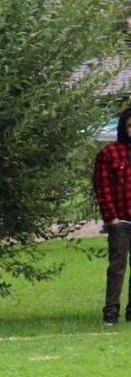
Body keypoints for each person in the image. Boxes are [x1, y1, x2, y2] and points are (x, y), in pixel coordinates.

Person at [93, 106, 131, 325]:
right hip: (121, 221)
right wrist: (112, 218)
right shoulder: (108, 154)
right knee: (117, 267)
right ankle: (111, 310)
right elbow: (102, 186)